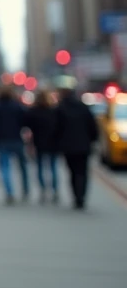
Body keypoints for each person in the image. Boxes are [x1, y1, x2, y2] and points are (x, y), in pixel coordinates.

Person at [53, 75, 100, 209]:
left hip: (68, 146)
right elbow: (92, 126)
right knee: (82, 172)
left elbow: (56, 128)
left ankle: (76, 196)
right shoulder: (83, 107)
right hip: (84, 145)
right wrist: (93, 140)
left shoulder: (60, 108)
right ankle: (81, 196)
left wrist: (57, 143)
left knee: (73, 172)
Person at [0, 85, 29, 204]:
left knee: (5, 167)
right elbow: (25, 121)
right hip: (16, 138)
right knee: (22, 166)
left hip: (1, 140)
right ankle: (25, 189)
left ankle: (9, 192)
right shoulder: (17, 106)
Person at [25, 90, 60, 203]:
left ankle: (43, 190)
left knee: (40, 167)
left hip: (39, 142)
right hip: (53, 142)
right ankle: (55, 190)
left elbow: (28, 126)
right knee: (53, 167)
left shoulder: (33, 112)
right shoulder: (54, 111)